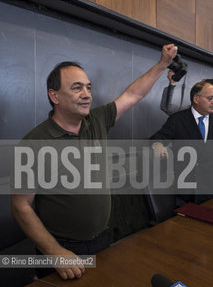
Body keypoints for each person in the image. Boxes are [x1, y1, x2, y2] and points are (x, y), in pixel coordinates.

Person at [11, 44, 177, 281]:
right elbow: (20, 206)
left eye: (88, 87)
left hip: (103, 240)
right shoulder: (34, 142)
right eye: (77, 88)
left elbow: (133, 94)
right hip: (63, 250)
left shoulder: (96, 120)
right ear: (54, 96)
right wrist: (55, 252)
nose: (87, 94)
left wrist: (162, 65)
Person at [150, 79, 213, 204]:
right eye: (210, 98)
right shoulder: (177, 120)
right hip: (185, 193)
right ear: (196, 99)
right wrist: (158, 146)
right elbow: (157, 138)